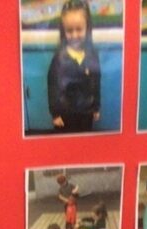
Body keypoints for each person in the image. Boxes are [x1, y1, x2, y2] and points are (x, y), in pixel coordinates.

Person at [47, 0, 101, 133]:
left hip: (86, 112)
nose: (75, 35)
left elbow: (96, 83)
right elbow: (53, 87)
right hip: (66, 115)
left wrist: (96, 107)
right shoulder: (59, 58)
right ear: (63, 30)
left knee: (85, 140)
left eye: (79, 29)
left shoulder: (92, 54)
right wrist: (55, 114)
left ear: (87, 28)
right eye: (69, 31)